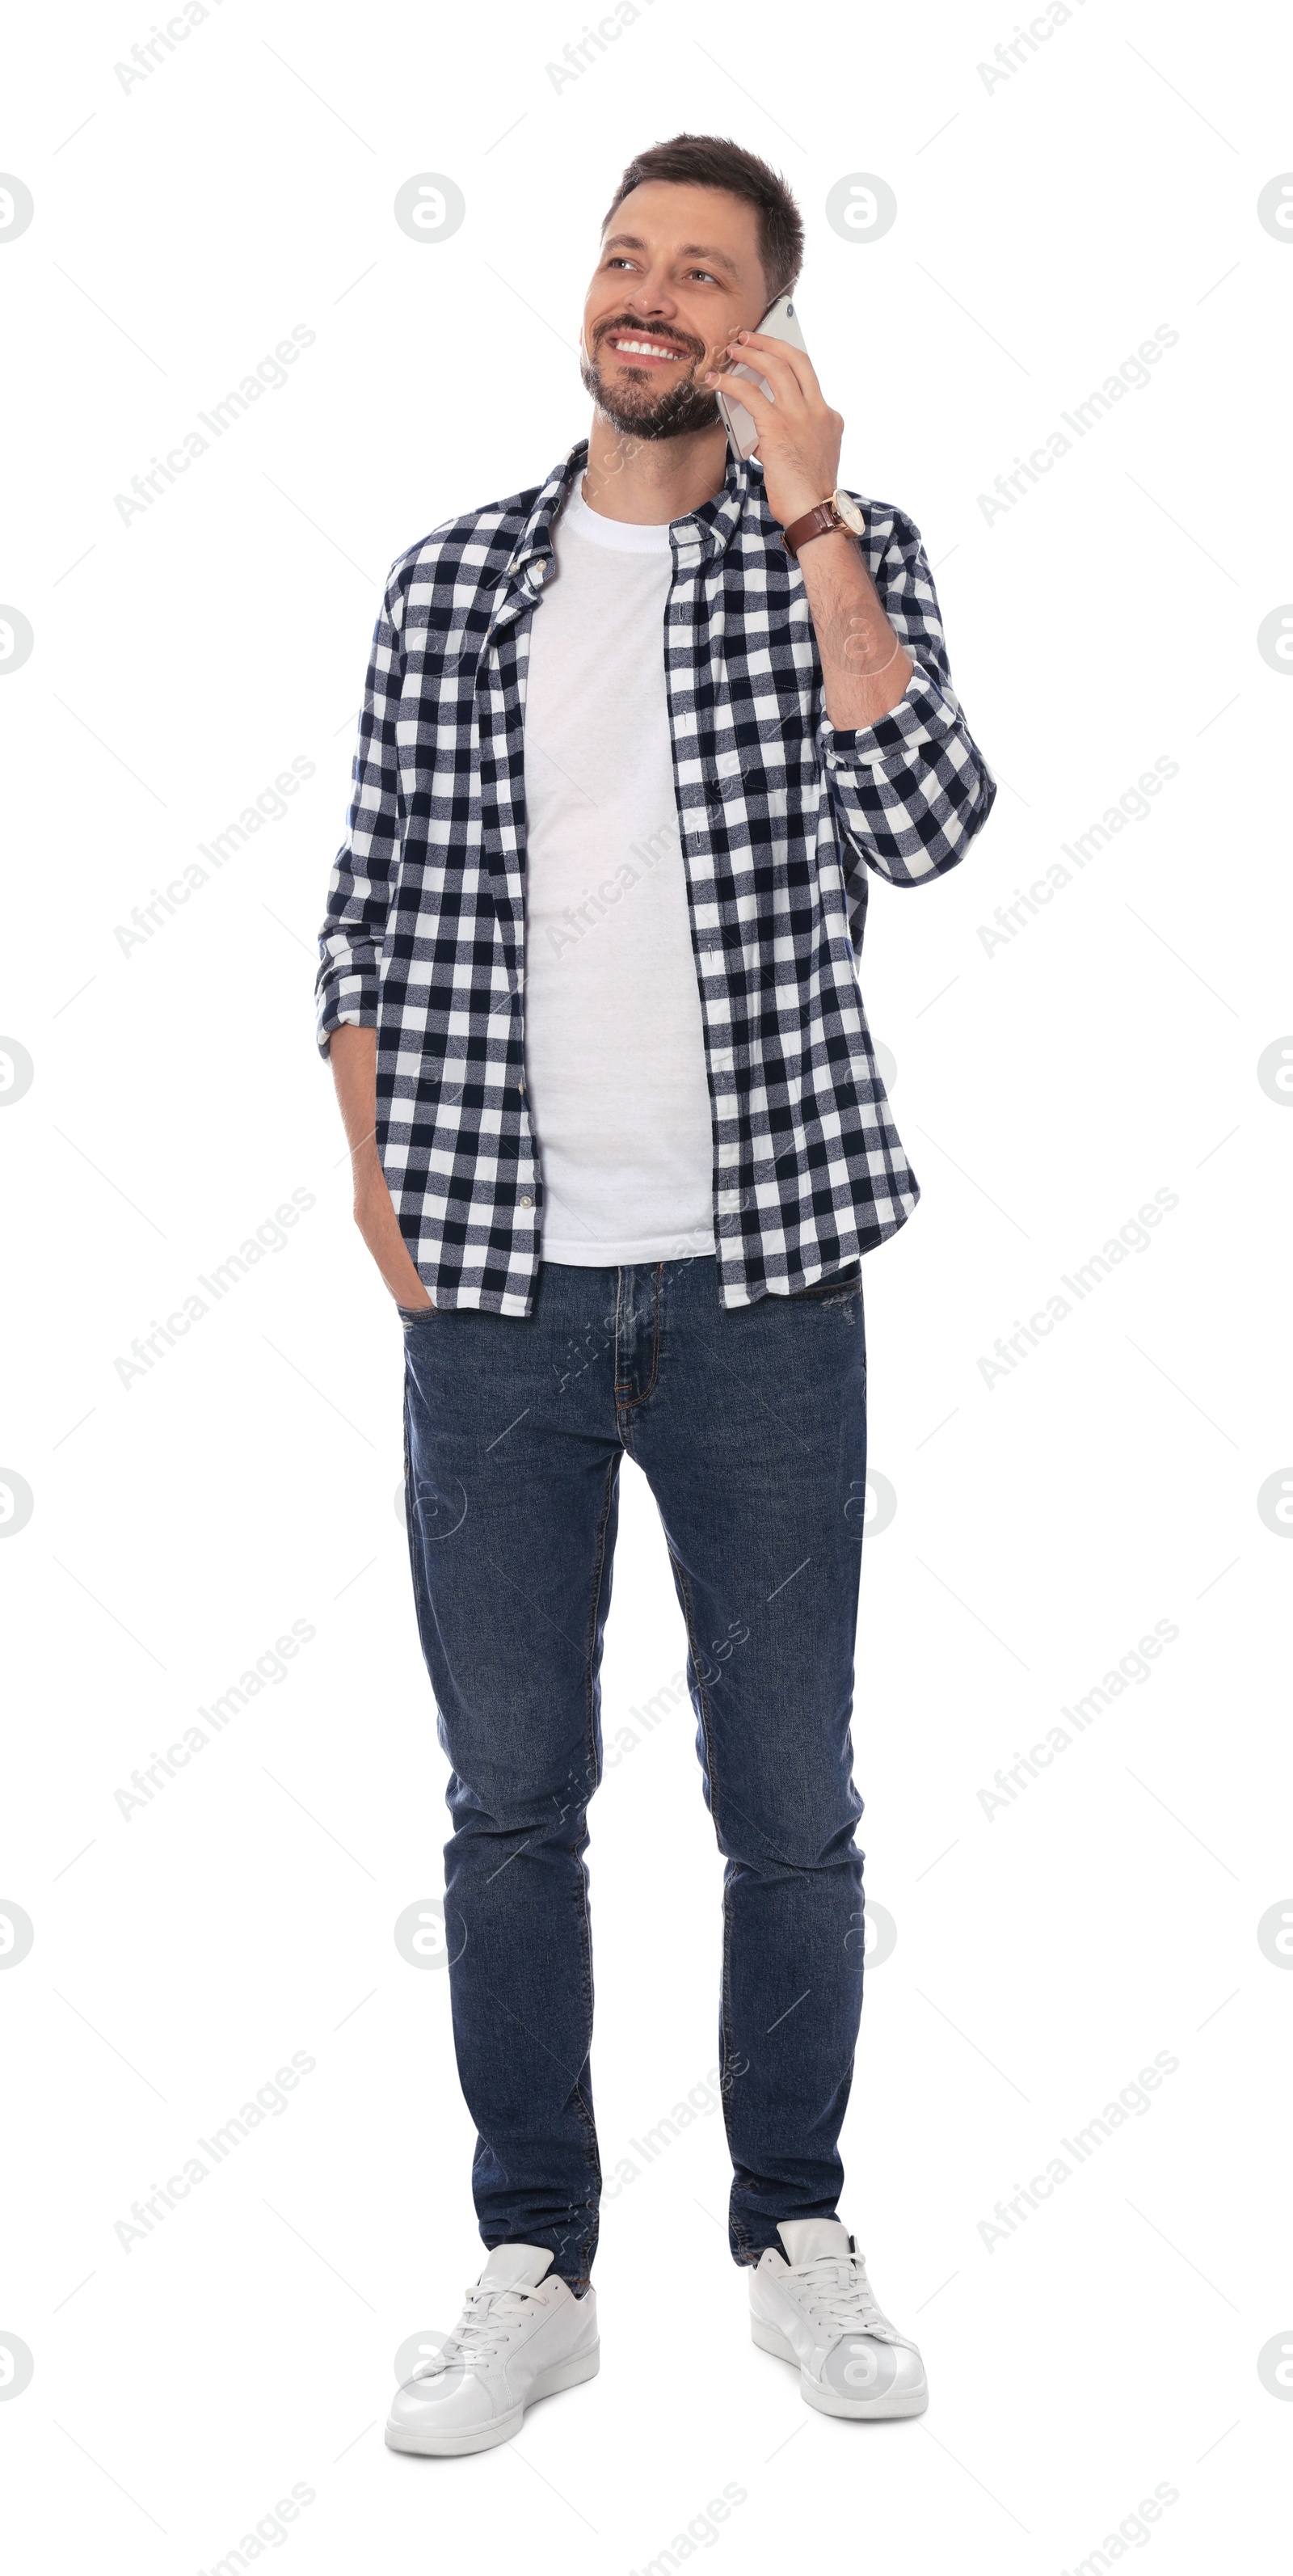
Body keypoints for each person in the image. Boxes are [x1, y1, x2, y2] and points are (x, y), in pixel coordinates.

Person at [316, 133, 996, 2457]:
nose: (650, 295)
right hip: (495, 1285)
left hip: (762, 1287)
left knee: (787, 1793)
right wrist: (365, 1141)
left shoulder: (842, 561)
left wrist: (817, 516)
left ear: (764, 330)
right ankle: (535, 2256)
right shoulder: (459, 581)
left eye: (704, 275)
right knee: (510, 1798)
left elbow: (930, 822)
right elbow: (367, 894)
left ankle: (795, 2232)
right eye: (627, 257)